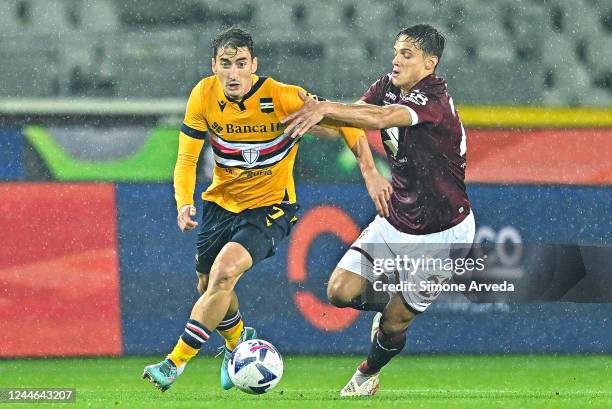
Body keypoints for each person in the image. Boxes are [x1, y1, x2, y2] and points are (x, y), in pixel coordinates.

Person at [142, 27, 391, 392]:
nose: (233, 73)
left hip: (272, 206)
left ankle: (173, 363)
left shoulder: (282, 95)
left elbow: (344, 121)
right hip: (220, 205)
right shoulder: (202, 94)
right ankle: (238, 342)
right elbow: (185, 157)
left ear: (253, 65)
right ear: (214, 65)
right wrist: (184, 202)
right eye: (225, 64)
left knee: (224, 274)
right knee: (207, 286)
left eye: (241, 64)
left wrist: (369, 171)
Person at [283, 24, 475, 396]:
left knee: (395, 325)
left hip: (444, 232)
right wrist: (306, 113)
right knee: (339, 291)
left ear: (429, 64)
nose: (396, 59)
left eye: (407, 54)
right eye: (396, 51)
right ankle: (391, 303)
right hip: (397, 218)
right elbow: (347, 120)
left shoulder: (433, 99)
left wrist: (325, 108)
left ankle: (366, 374)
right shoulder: (388, 84)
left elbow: (381, 119)